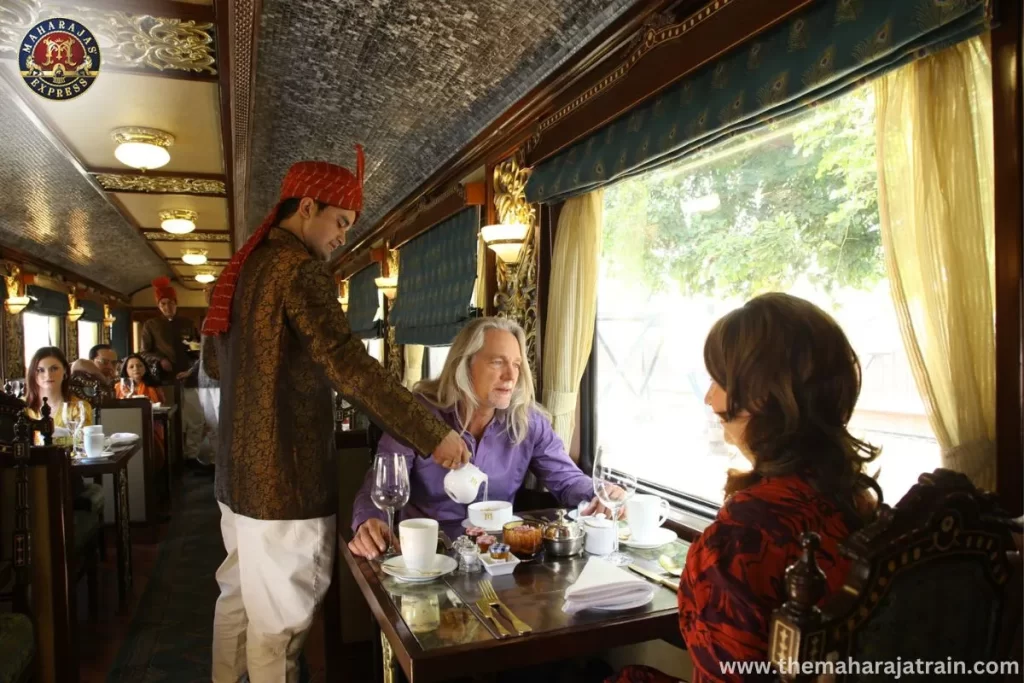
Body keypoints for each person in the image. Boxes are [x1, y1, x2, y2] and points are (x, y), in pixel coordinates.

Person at [201, 148, 470, 683]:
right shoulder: (299, 271)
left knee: (238, 605)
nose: (343, 237)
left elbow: (215, 360)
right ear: (305, 207)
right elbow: (347, 364)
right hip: (284, 484)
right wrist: (431, 434)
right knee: (278, 630)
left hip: (236, 481)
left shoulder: (246, 269)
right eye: (340, 222)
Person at [606, 293, 882, 683]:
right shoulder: (860, 502)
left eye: (720, 382)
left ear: (762, 397)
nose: (709, 398)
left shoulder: (740, 541)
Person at [349, 317, 616, 559]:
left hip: (498, 556)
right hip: (428, 554)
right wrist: (369, 520)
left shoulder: (528, 422)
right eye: (498, 362)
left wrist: (602, 494)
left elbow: (567, 480)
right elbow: (382, 483)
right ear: (465, 365)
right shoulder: (417, 416)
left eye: (516, 365)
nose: (511, 376)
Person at [140, 276, 206, 470]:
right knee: (173, 420)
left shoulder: (187, 322)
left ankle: (191, 456)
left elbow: (196, 347)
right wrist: (160, 360)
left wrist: (193, 363)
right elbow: (144, 352)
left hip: (189, 377)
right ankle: (171, 457)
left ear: (176, 304)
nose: (167, 307)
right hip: (166, 380)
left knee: (195, 419)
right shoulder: (151, 325)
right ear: (159, 306)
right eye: (163, 304)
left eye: (170, 303)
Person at [116, 353, 167, 465]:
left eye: (139, 366)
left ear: (145, 368)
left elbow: (161, 404)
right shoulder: (118, 387)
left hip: (151, 422)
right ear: (126, 370)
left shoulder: (153, 386)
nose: (136, 369)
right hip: (124, 423)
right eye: (131, 367)